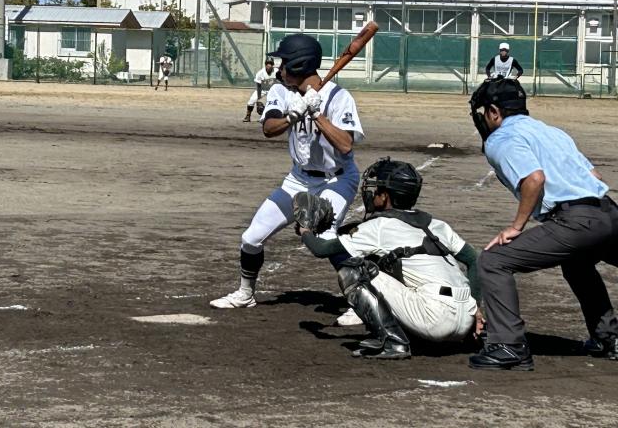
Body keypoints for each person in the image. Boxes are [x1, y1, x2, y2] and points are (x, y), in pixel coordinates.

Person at [210, 34, 364, 325]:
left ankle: (360, 302)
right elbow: (269, 128)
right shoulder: (281, 92)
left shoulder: (338, 97)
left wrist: (317, 114)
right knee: (251, 238)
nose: (279, 68)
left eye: (284, 63)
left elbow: (346, 145)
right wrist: (294, 115)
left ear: (299, 65)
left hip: (337, 180)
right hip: (298, 179)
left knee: (325, 236)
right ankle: (245, 294)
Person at [467, 77, 618, 371]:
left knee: (493, 261)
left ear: (494, 112)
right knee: (576, 262)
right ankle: (608, 338)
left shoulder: (500, 138)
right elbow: (595, 177)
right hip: (608, 212)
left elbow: (534, 179)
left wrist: (516, 226)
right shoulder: (551, 132)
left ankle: (508, 346)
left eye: (484, 112)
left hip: (578, 221)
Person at [295, 158, 481, 360]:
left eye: (376, 190)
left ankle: (393, 342)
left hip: (434, 318)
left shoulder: (380, 226)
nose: (372, 193)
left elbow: (321, 249)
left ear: (385, 197)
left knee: (355, 270)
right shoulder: (438, 224)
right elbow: (474, 260)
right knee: (388, 262)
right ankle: (415, 332)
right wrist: (476, 308)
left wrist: (305, 230)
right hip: (466, 319)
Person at [243, 57, 277, 122]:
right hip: (262, 89)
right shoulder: (260, 73)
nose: (269, 65)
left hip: (273, 90)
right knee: (251, 100)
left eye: (270, 63)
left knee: (273, 102)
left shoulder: (276, 71)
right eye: (267, 63)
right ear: (265, 64)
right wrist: (259, 98)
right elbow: (258, 86)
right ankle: (248, 116)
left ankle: (274, 116)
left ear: (273, 65)